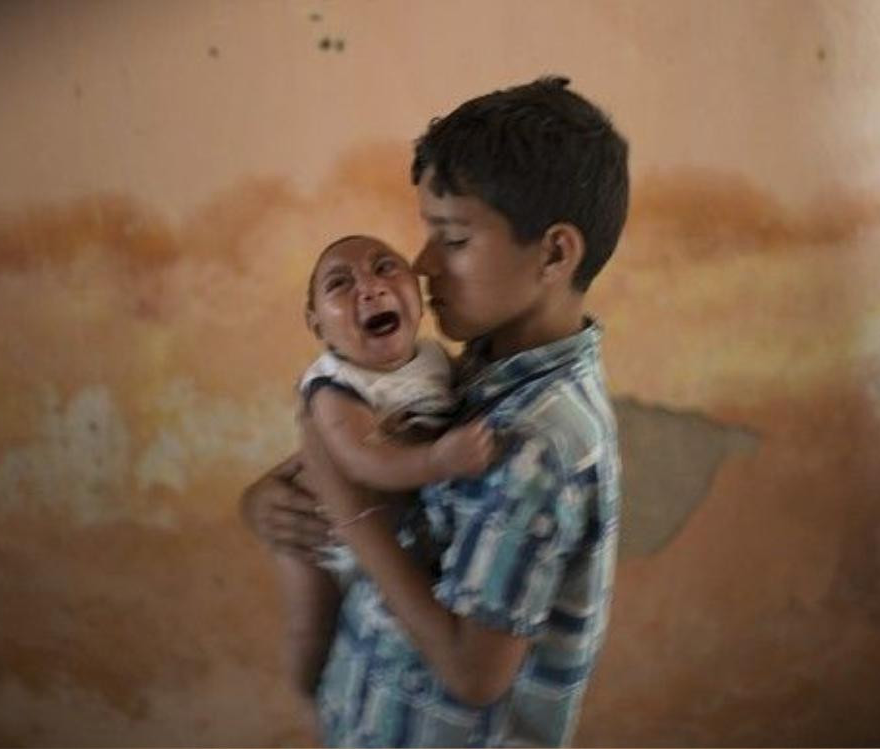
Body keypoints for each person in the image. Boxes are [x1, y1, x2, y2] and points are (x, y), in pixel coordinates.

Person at [242, 75, 629, 747]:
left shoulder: (538, 440)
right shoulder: (484, 367)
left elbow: (472, 673)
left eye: (451, 238)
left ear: (555, 252)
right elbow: (383, 448)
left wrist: (350, 513)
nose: (420, 264)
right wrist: (270, 496)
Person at [276, 234, 496, 700]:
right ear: (316, 324)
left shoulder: (436, 358)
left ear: (417, 295)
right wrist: (436, 459)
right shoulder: (335, 386)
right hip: (323, 536)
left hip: (387, 530)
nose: (371, 288)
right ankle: (306, 701)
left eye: (385, 268)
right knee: (311, 629)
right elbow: (362, 461)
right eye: (340, 283)